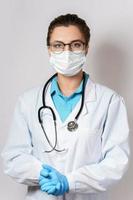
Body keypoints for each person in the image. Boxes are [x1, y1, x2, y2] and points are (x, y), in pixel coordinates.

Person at [1, 14, 130, 200]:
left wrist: (70, 182)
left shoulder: (109, 101)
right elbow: (13, 157)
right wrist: (41, 173)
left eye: (76, 45)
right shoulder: (28, 102)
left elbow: (116, 163)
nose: (67, 52)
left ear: (86, 48)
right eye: (58, 45)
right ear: (49, 50)